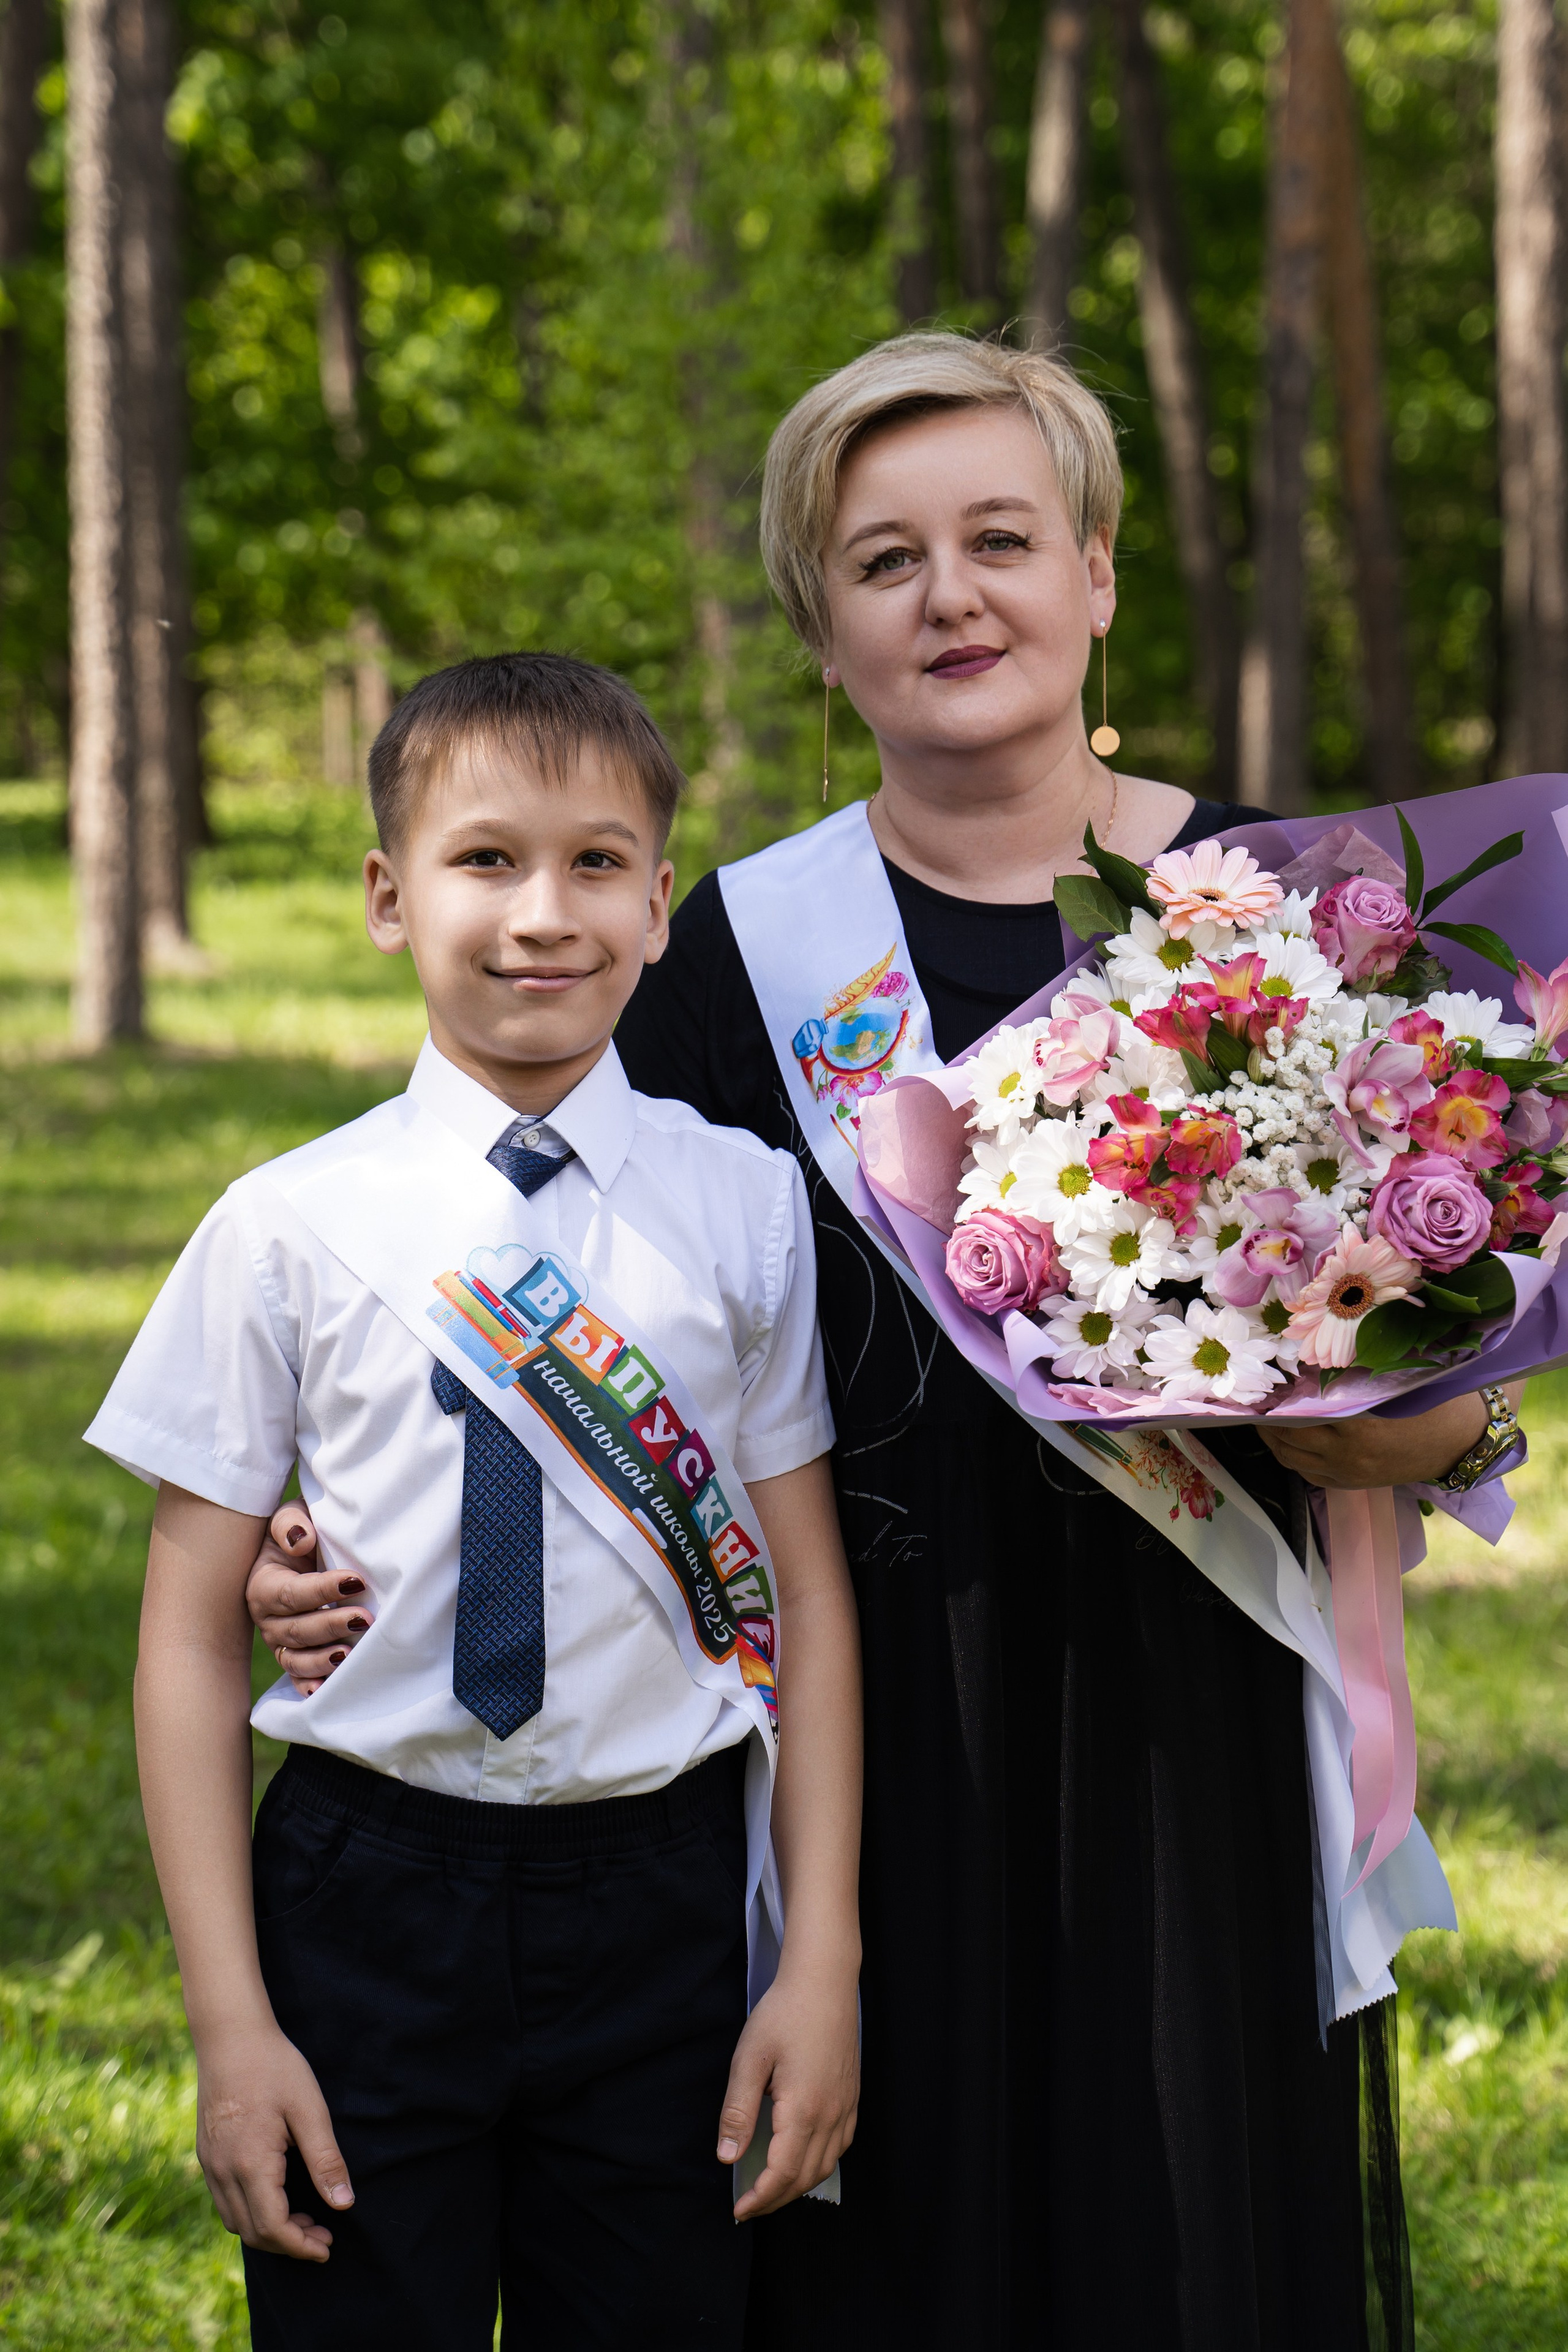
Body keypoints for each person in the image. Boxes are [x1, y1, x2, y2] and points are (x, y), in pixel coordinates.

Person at [245, 339, 1521, 2349]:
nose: (952, 598)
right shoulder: (732, 963)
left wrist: (1432, 1436)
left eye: (1002, 540)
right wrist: (309, 1527)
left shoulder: (1288, 910)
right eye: (884, 561)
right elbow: (513, 1261)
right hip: (858, 1711)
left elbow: (1435, 1346)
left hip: (1189, 1693)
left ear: (1099, 575)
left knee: (1175, 2233)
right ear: (823, 633)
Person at [87, 652, 862, 2352]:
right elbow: (184, 1646)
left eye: (598, 863)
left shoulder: (743, 1207)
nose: (544, 912)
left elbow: (803, 1599)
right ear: (387, 894)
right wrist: (232, 2024)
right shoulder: (288, 1221)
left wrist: (818, 1961)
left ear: (662, 905)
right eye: (486, 859)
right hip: (370, 1889)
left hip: (663, 1898)